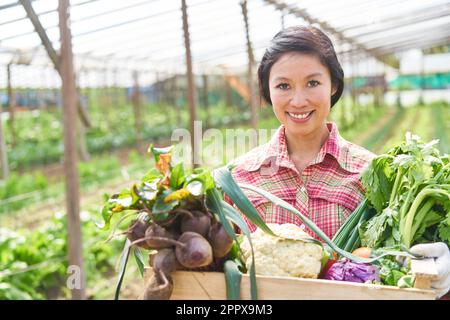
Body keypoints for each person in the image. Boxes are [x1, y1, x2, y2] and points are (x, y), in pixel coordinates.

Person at [224, 25, 450, 298]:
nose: (298, 100)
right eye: (283, 85)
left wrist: (432, 267)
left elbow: (396, 267)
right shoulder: (238, 179)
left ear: (334, 85)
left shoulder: (375, 175)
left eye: (313, 83)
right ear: (267, 91)